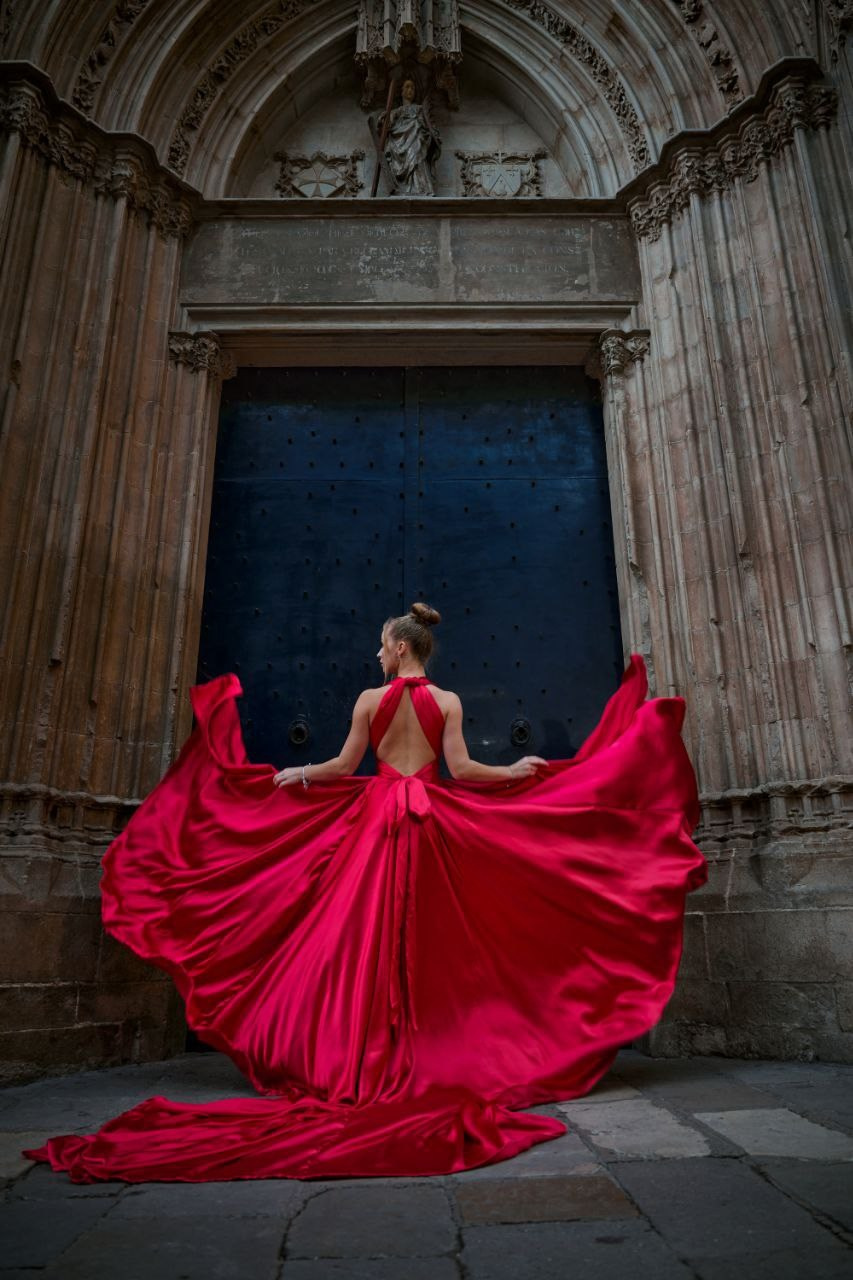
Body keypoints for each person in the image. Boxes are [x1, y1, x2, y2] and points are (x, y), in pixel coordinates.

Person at [25, 603, 707, 1183]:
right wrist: (520, 771)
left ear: (400, 646)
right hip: (435, 824)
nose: (375, 653)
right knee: (438, 945)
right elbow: (465, 773)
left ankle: (361, 1055)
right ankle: (428, 1048)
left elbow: (344, 766)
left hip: (374, 822)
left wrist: (296, 774)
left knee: (358, 940)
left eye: (381, 645)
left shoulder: (368, 701)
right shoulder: (446, 701)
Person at [374, 78, 440, 196]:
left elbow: (428, 126)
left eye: (413, 88)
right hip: (399, 142)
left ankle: (421, 188)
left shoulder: (419, 109)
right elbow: (386, 127)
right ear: (402, 91)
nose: (410, 90)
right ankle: (404, 188)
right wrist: (383, 119)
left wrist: (431, 133)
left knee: (416, 156)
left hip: (416, 140)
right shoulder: (396, 111)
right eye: (407, 87)